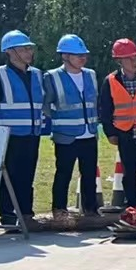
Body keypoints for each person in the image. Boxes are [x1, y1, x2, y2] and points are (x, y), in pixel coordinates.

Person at [0, 29, 47, 228]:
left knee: (27, 176)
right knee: (8, 177)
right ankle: (8, 216)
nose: (29, 53)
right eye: (23, 49)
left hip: (32, 134)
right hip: (8, 136)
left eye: (29, 48)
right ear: (9, 52)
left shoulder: (37, 74)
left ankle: (26, 214)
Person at [41, 34, 102, 216]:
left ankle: (90, 210)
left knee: (89, 175)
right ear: (65, 56)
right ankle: (59, 211)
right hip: (65, 136)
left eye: (84, 55)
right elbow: (46, 105)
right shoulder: (52, 77)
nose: (82, 58)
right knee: (63, 174)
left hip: (89, 133)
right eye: (78, 55)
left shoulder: (90, 75)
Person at [99, 38, 136, 208]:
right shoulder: (111, 81)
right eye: (129, 58)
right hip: (124, 134)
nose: (134, 62)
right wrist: (110, 132)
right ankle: (132, 205)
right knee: (128, 173)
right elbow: (105, 109)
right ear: (119, 61)